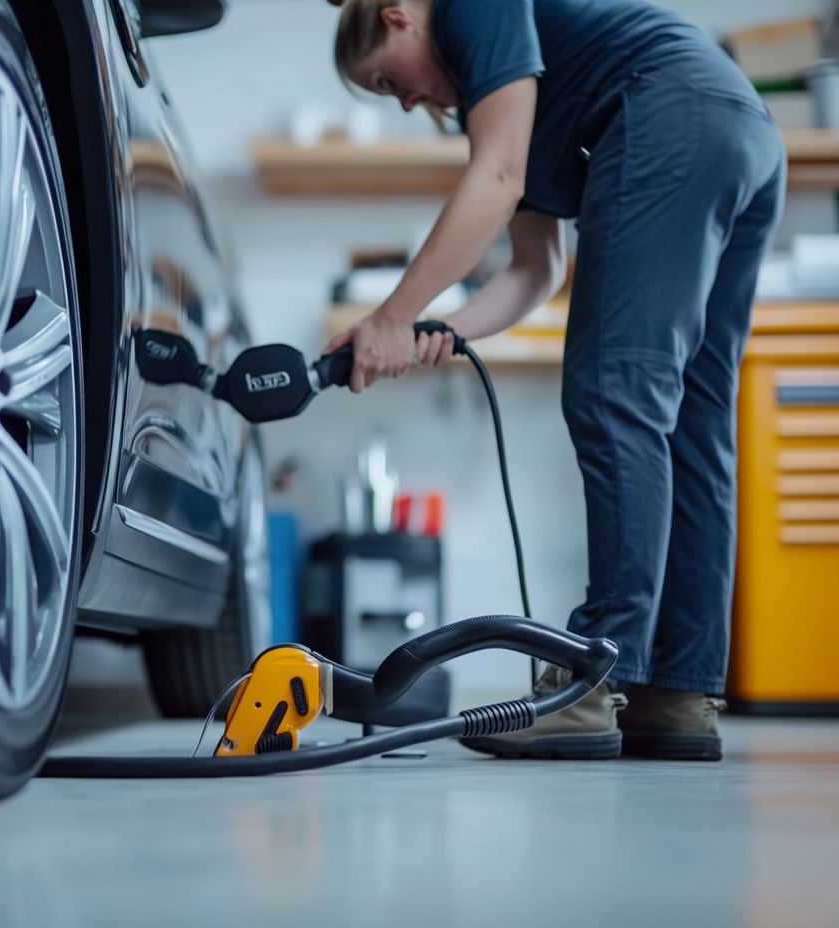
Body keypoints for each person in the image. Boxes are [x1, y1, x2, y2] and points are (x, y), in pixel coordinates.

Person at [324, 0, 786, 760]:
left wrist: (390, 314)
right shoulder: (510, 92)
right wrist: (431, 330)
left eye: (386, 80)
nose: (404, 102)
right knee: (694, 423)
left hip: (672, 111)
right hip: (739, 128)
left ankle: (586, 683)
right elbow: (537, 270)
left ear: (399, 15)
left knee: (613, 396)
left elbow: (497, 179)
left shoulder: (472, 9)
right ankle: (675, 695)